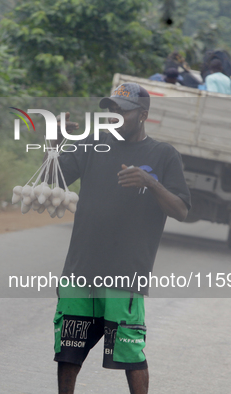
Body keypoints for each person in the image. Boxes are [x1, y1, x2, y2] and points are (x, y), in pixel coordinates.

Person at [48, 83, 191, 394]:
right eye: (111, 110)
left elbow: (180, 210)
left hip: (125, 275)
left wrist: (150, 183)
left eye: (122, 111)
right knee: (68, 350)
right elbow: (52, 181)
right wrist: (54, 144)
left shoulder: (163, 154)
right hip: (80, 269)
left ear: (143, 115)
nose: (114, 116)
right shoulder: (91, 145)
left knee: (129, 353)